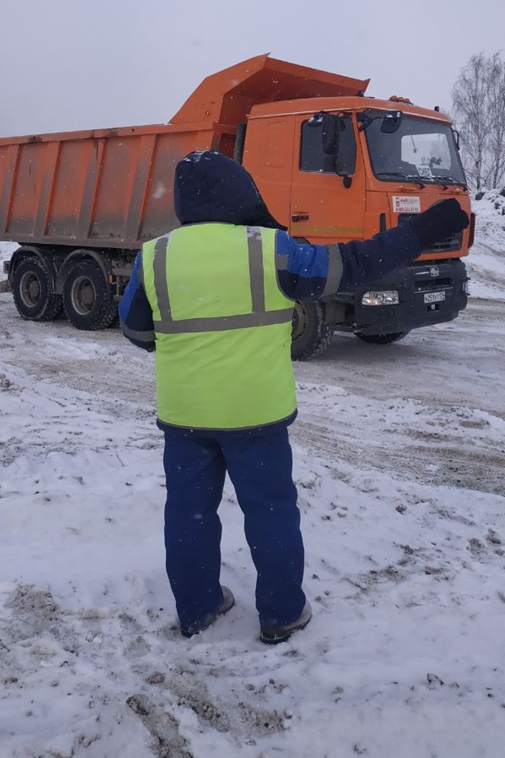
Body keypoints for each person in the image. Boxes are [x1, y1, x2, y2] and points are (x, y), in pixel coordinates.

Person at [119, 150, 469, 643]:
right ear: (239, 191)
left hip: (186, 415)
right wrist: (421, 232)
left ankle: (197, 609)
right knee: (271, 513)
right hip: (256, 414)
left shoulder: (154, 255)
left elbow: (135, 328)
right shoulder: (271, 249)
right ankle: (282, 614)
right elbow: (352, 265)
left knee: (188, 514)